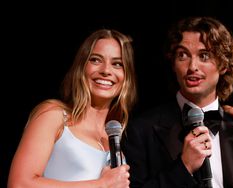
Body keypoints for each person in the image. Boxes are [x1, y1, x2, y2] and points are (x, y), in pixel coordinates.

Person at [121, 16, 233, 188]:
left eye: (204, 56)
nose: (192, 67)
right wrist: (184, 167)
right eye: (182, 55)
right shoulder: (141, 130)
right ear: (173, 63)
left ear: (224, 64)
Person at [8, 29, 137, 188]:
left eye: (117, 64)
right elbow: (19, 183)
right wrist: (101, 184)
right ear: (81, 66)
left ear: (127, 76)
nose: (106, 70)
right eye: (95, 60)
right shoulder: (54, 116)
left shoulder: (114, 139)